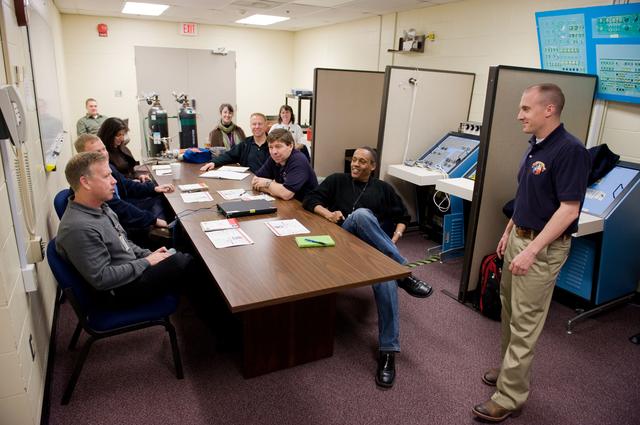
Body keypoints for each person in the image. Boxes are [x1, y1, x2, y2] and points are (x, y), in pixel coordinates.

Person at [472, 84, 591, 422]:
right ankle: (510, 371)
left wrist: (532, 251)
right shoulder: (536, 146)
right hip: (520, 238)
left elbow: (569, 210)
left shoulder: (570, 151)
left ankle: (510, 396)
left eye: (526, 108)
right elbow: (526, 195)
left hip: (542, 247)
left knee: (525, 323)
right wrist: (509, 231)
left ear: (549, 110)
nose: (519, 115)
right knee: (510, 311)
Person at [302, 146, 433, 388]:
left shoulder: (383, 189)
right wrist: (328, 214)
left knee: (386, 277)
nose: (355, 164)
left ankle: (388, 352)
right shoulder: (337, 180)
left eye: (362, 161)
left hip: (373, 251)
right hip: (341, 245)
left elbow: (403, 217)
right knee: (361, 215)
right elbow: (310, 200)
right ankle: (403, 272)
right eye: (354, 160)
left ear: (372, 166)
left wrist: (395, 237)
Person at [56, 151, 192, 307]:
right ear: (85, 182)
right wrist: (147, 262)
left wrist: (148, 255)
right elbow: (102, 279)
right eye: (106, 176)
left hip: (130, 270)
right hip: (119, 290)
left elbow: (124, 242)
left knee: (180, 253)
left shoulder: (101, 207)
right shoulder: (78, 228)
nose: (114, 181)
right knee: (184, 262)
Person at [74, 134, 172, 244]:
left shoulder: (107, 167)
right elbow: (118, 208)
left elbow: (126, 184)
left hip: (125, 210)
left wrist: (153, 189)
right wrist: (153, 220)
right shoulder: (92, 182)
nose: (104, 154)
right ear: (83, 157)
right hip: (121, 226)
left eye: (104, 149)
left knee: (161, 200)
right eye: (97, 152)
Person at [251, 129, 318, 201]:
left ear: (290, 146)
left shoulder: (299, 160)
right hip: (287, 202)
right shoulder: (275, 158)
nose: (274, 152)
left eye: (278, 146)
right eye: (271, 147)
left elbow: (286, 194)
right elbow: (255, 181)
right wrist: (276, 190)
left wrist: (267, 184)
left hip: (305, 204)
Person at [200, 112, 269, 173]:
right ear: (250, 126)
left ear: (266, 125)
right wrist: (214, 163)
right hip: (248, 180)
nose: (257, 127)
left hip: (267, 181)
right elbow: (229, 155)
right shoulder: (245, 144)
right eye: (254, 124)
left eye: (260, 124)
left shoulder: (272, 144)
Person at [97, 117, 150, 182]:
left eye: (123, 134)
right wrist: (132, 182)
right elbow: (115, 180)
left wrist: (139, 176)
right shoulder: (104, 154)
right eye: (118, 135)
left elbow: (130, 169)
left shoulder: (121, 147)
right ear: (109, 135)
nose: (122, 139)